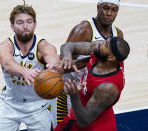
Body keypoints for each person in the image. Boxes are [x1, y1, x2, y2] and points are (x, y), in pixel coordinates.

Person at [51, 0, 123, 128]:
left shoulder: (118, 34)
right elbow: (66, 61)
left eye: (114, 10)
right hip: (70, 90)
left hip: (92, 92)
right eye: (105, 8)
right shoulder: (84, 29)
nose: (108, 14)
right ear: (98, 7)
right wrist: (66, 59)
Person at [0, 2, 59, 131]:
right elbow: (7, 63)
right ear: (12, 26)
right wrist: (24, 71)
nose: (25, 26)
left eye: (29, 22)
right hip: (10, 103)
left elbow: (52, 56)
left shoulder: (44, 46)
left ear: (35, 24)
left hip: (38, 105)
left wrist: (53, 66)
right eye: (20, 23)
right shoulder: (5, 46)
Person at [54, 36, 130, 131]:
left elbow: (84, 121)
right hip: (90, 113)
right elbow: (69, 46)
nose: (101, 43)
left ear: (111, 58)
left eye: (105, 44)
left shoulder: (107, 88)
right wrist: (67, 57)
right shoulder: (102, 51)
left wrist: (74, 96)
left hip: (91, 125)